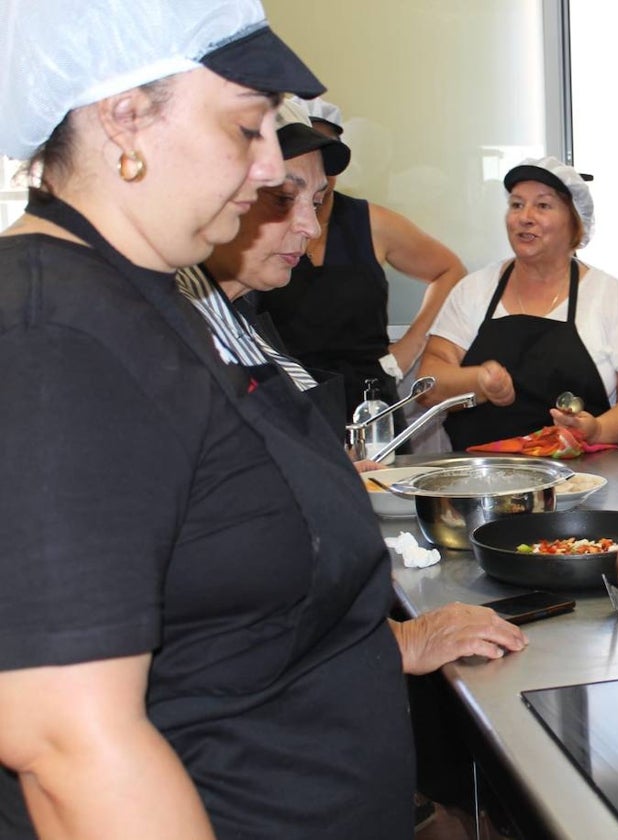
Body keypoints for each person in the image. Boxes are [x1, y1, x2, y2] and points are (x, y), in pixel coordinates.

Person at [0, 4, 497, 838]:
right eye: (245, 127)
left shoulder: (157, 304)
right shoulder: (58, 338)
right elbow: (68, 745)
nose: (271, 167)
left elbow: (221, 614)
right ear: (125, 117)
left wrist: (380, 651)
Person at [176, 94, 525, 672]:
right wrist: (400, 642)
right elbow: (224, 574)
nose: (311, 226)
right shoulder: (174, 328)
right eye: (283, 198)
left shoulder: (235, 317)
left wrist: (325, 468)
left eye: (317, 200)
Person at [419, 156, 618, 450]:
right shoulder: (474, 290)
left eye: (543, 205)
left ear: (575, 222)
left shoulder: (609, 297)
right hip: (481, 480)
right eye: (517, 205)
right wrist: (478, 382)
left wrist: (596, 429)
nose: (525, 217)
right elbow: (428, 384)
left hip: (584, 481)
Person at [254, 95, 469, 424]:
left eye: (325, 152)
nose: (317, 167)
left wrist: (409, 347)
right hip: (287, 406)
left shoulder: (372, 224)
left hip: (369, 408)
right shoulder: (253, 232)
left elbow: (448, 270)